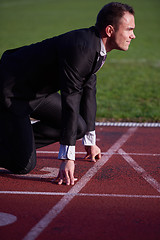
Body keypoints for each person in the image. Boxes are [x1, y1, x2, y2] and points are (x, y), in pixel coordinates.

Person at [0, 2, 135, 185]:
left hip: (37, 93)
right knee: (23, 164)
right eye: (129, 29)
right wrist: (67, 158)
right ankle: (16, 146)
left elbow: (89, 91)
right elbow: (71, 100)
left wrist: (89, 140)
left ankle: (13, 141)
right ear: (110, 30)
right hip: (12, 92)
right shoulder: (82, 49)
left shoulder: (96, 47)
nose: (133, 36)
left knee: (80, 127)